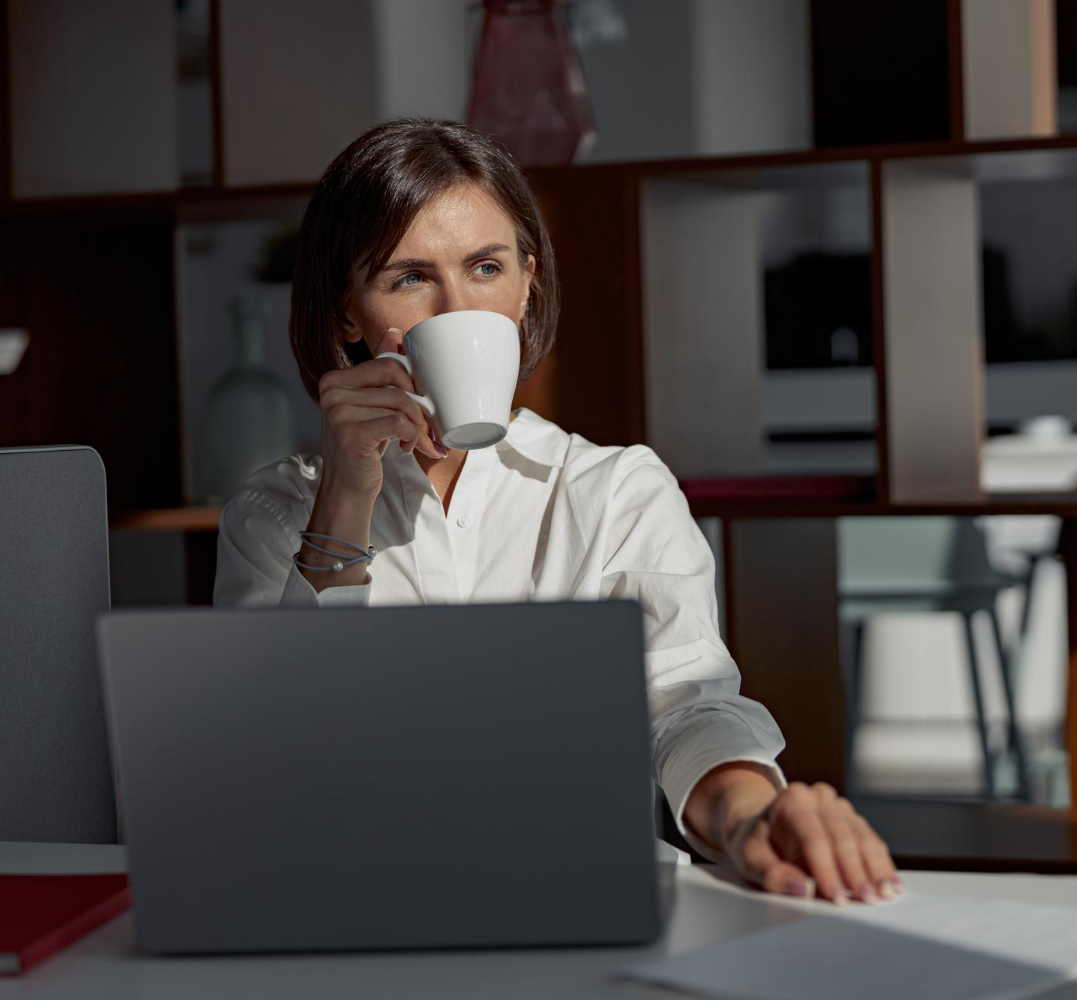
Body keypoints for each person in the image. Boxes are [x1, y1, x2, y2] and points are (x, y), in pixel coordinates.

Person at [215, 118, 899, 904]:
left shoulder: (616, 491)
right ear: (346, 314)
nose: (454, 309)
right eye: (408, 277)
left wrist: (749, 819)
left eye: (484, 267)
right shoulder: (277, 513)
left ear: (526, 282)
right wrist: (344, 503)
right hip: (349, 899)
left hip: (578, 896)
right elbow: (259, 767)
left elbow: (687, 703)